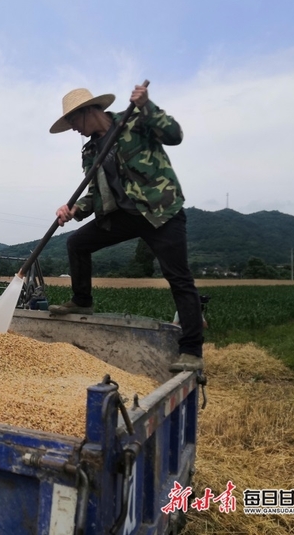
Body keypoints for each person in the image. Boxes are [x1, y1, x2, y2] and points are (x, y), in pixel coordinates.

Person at [47, 85, 204, 372]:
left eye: (73, 122)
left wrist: (147, 106)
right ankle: (82, 301)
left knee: (178, 278)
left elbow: (175, 135)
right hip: (124, 215)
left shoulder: (134, 120)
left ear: (89, 111)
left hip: (160, 211)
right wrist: (73, 209)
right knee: (77, 243)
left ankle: (192, 350)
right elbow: (94, 194)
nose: (73, 130)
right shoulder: (91, 150)